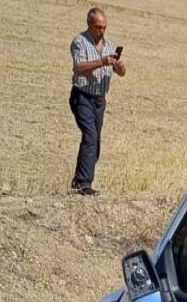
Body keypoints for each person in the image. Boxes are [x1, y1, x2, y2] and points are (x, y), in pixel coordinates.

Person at [69, 7, 126, 196]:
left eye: (104, 27)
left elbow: (122, 73)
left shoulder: (109, 46)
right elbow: (78, 67)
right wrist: (101, 61)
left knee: (96, 142)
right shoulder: (79, 42)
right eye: (98, 27)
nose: (101, 31)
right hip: (82, 97)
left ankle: (80, 179)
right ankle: (83, 184)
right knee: (90, 137)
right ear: (89, 24)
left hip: (100, 101)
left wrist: (120, 65)